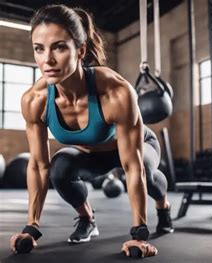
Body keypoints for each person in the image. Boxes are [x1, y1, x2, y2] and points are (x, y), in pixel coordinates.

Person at [9, 5, 172, 258]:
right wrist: (31, 228)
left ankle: (163, 205)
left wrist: (139, 234)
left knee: (147, 175)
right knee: (59, 169)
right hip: (92, 153)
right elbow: (38, 166)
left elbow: (133, 167)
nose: (47, 60)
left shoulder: (115, 92)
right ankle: (87, 218)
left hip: (137, 148)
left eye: (59, 47)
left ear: (80, 50)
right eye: (39, 48)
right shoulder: (35, 100)